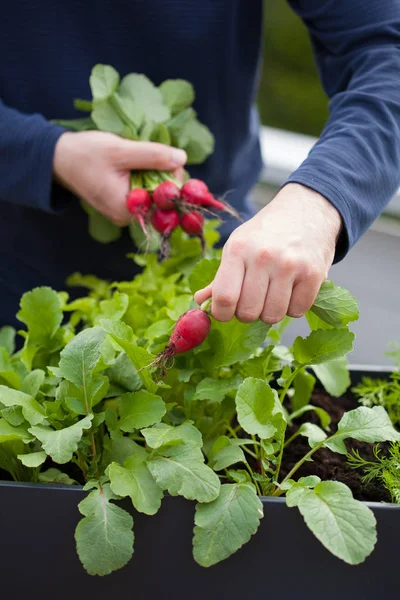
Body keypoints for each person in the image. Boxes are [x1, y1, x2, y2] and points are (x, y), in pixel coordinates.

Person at [1, 1, 399, 329]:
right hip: (14, 268)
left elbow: (387, 50)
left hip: (211, 272)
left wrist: (320, 198)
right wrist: (45, 153)